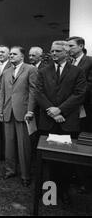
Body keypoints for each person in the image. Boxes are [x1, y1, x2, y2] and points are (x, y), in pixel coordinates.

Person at [36, 40, 87, 204]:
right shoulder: (44, 71)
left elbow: (79, 94)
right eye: (52, 51)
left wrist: (61, 110)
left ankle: (64, 191)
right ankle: (49, 195)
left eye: (57, 51)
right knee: (49, 160)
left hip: (67, 122)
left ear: (66, 52)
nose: (53, 53)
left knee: (66, 160)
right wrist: (52, 110)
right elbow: (38, 93)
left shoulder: (77, 72)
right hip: (49, 121)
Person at [0, 46, 37, 187]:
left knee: (24, 145)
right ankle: (10, 170)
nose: (11, 56)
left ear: (22, 56)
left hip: (23, 113)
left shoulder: (30, 69)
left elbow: (33, 91)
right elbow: (2, 93)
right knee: (9, 143)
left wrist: (30, 110)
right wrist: (0, 110)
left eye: (14, 54)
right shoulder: (7, 72)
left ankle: (26, 175)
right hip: (8, 112)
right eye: (11, 54)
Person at [67, 36, 92, 132]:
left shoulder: (90, 61)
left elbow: (89, 85)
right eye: (67, 46)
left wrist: (74, 97)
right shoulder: (68, 63)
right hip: (68, 107)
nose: (68, 49)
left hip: (84, 106)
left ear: (81, 46)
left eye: (71, 46)